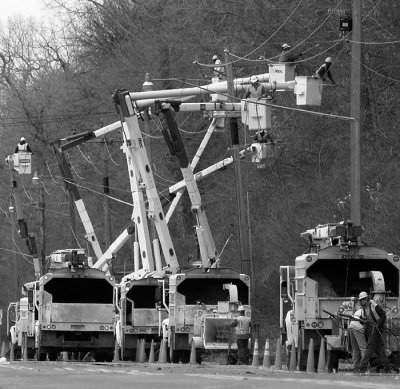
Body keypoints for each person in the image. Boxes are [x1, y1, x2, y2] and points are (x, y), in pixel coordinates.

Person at [358, 291, 390, 373]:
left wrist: (378, 325)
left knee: (369, 348)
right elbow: (363, 321)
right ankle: (387, 367)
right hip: (369, 330)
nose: (363, 301)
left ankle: (362, 367)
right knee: (378, 350)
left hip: (375, 329)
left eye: (364, 299)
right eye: (361, 300)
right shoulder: (363, 310)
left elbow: (383, 315)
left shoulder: (373, 305)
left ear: (367, 298)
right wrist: (361, 320)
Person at [348, 307, 367, 372]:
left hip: (351, 327)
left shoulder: (359, 311)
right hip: (358, 328)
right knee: (363, 348)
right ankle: (364, 367)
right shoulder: (366, 310)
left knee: (355, 349)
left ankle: (356, 367)